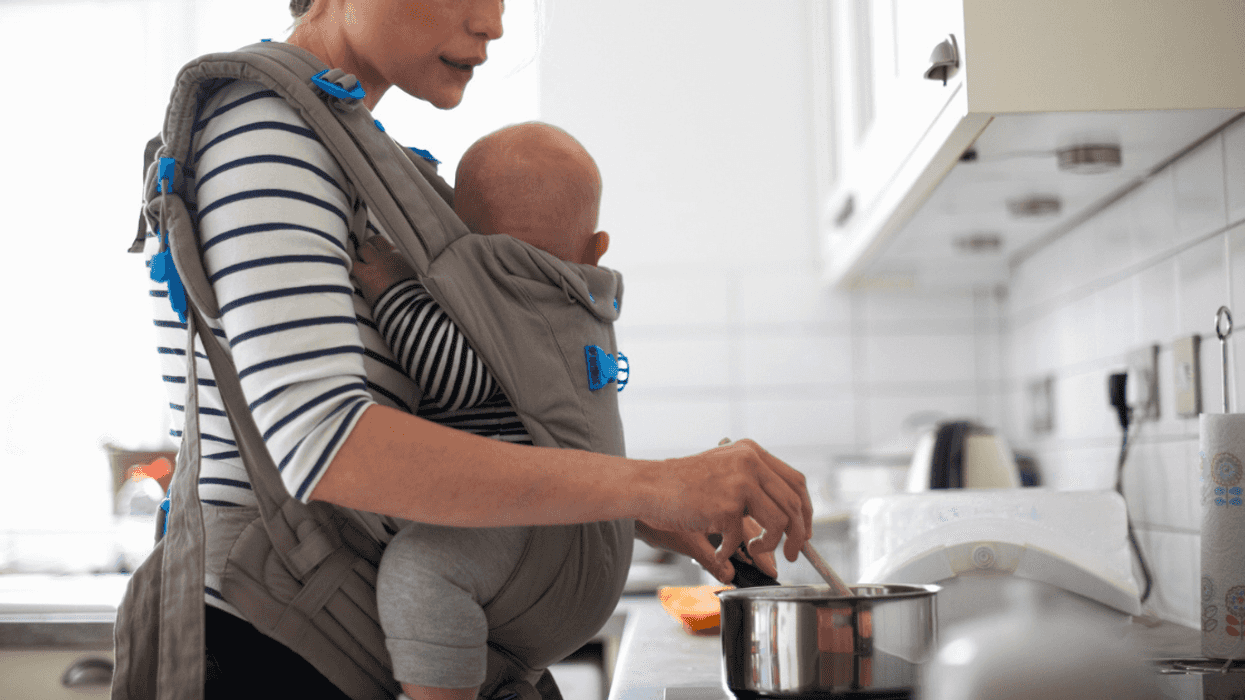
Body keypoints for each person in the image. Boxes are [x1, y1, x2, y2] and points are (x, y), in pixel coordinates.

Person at [143, 1, 814, 698]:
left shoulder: (357, 156)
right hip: (280, 649)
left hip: (341, 638)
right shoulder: (264, 127)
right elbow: (328, 445)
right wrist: (656, 481)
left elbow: (439, 415)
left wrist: (642, 509)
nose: (493, 23)